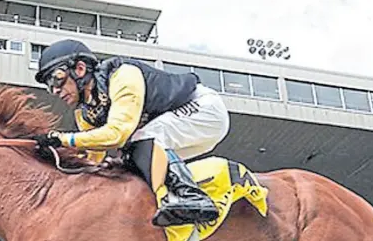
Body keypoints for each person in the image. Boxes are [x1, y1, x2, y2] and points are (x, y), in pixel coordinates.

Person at [33, 39, 229, 227]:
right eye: (49, 87)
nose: (55, 91)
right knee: (130, 161)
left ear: (80, 69)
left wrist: (63, 139)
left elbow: (117, 134)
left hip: (203, 108)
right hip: (179, 129)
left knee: (140, 139)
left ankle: (193, 197)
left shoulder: (122, 75)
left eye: (56, 79)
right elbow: (94, 156)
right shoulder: (84, 113)